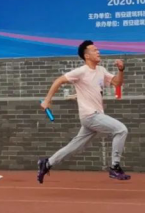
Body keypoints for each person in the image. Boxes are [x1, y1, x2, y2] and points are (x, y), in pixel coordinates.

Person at [38, 40, 130, 183]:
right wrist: (47, 100)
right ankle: (115, 167)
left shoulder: (101, 70)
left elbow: (117, 83)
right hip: (90, 115)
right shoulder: (81, 71)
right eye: (94, 50)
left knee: (75, 146)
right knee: (121, 130)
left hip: (95, 116)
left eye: (98, 49)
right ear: (87, 56)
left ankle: (48, 163)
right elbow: (59, 80)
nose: (98, 52)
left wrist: (121, 70)